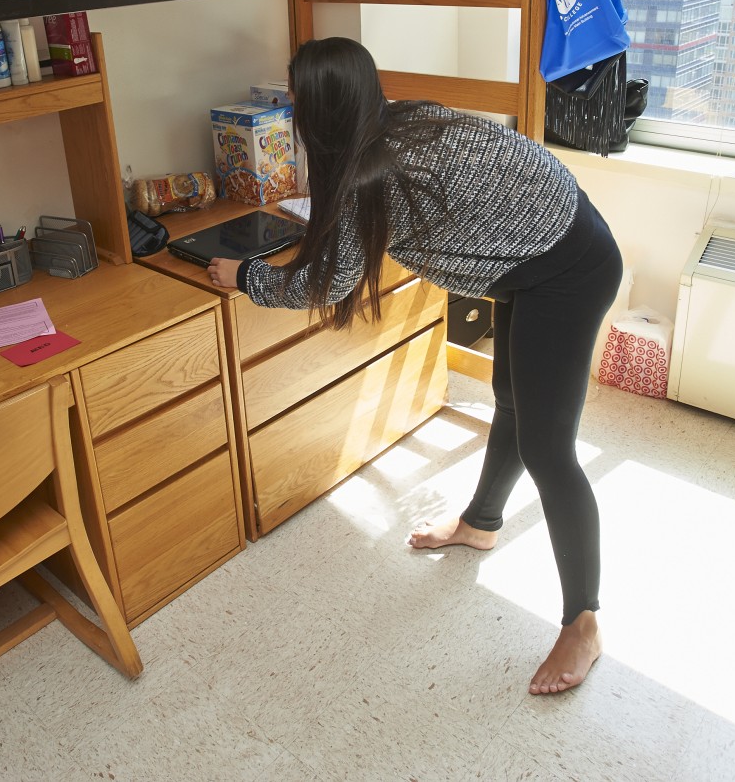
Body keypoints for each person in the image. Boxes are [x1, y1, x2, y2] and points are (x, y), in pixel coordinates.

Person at [206, 37, 623, 695]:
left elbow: (326, 283)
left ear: (321, 109)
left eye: (295, 95)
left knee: (550, 450)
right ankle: (480, 525)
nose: (288, 103)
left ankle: (584, 623)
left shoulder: (374, 176)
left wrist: (247, 276)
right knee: (512, 397)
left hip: (568, 269)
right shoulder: (396, 120)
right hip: (545, 246)